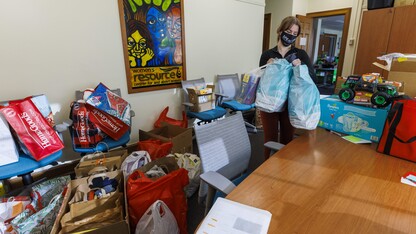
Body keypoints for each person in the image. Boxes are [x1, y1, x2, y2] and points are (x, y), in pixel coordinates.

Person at [259, 16, 316, 159]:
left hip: (291, 104)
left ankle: (284, 171)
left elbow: (312, 78)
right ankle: (266, 170)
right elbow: (261, 80)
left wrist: (300, 67)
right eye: (288, 31)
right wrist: (267, 67)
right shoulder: (267, 54)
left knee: (287, 140)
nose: (291, 35)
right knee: (269, 140)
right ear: (280, 30)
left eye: (294, 33)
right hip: (269, 103)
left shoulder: (300, 54)